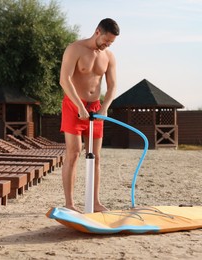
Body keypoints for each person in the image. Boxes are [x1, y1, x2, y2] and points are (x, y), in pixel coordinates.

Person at [59, 18, 120, 212]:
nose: (107, 45)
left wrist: (104, 108)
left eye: (111, 43)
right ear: (97, 31)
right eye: (106, 40)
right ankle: (70, 203)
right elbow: (64, 79)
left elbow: (112, 86)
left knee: (96, 156)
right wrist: (79, 106)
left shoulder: (108, 56)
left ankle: (95, 202)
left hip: (96, 108)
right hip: (73, 105)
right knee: (74, 153)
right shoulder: (74, 49)